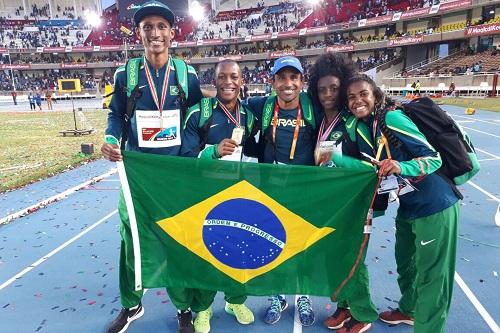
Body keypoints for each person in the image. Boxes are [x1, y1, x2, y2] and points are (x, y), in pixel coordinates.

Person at [100, 2, 203, 332]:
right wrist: (111, 138)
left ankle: (183, 308)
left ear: (172, 34)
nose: (155, 32)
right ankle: (131, 305)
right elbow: (116, 114)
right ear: (139, 33)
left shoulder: (187, 75)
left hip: (175, 175)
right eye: (148, 27)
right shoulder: (125, 74)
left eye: (161, 26)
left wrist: (186, 156)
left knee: (177, 239)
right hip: (137, 174)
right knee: (131, 238)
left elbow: (197, 118)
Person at [337, 74, 460, 333]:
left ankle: (429, 329)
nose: (357, 100)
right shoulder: (364, 127)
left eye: (363, 94)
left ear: (376, 96)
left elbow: (432, 158)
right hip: (408, 204)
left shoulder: (391, 118)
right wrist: (334, 158)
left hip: (435, 203)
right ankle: (409, 310)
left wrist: (401, 165)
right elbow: (371, 167)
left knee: (433, 277)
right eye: (351, 97)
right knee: (406, 264)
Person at [181, 59, 255, 333]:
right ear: (214, 81)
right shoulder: (198, 113)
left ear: (241, 80)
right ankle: (203, 308)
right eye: (222, 77)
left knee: (239, 250)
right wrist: (213, 151)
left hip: (237, 195)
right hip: (205, 195)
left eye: (234, 77)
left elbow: (255, 149)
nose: (228, 82)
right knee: (207, 253)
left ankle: (235, 300)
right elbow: (186, 158)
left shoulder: (248, 116)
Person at [243, 56, 317, 326]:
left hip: (304, 190)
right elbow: (227, 104)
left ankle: (304, 296)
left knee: (304, 245)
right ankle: (277, 296)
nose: (288, 83)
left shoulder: (312, 107)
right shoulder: (262, 106)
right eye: (282, 78)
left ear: (301, 81)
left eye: (293, 77)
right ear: (272, 82)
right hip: (272, 190)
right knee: (272, 243)